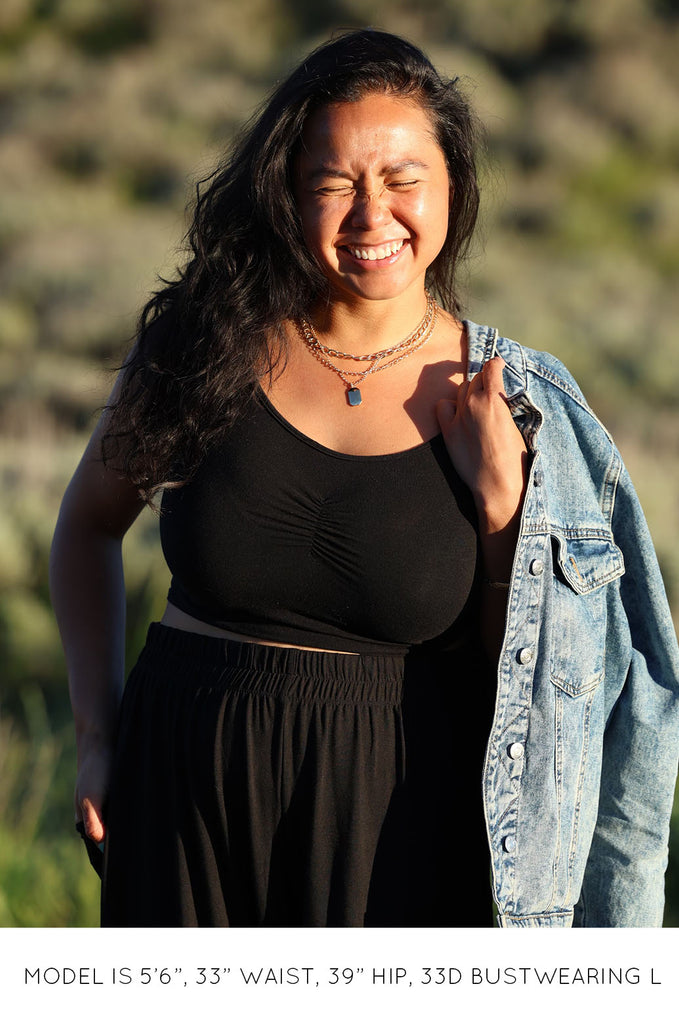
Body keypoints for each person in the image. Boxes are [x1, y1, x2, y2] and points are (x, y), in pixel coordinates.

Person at [50, 29, 679, 928]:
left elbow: (549, 680)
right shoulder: (204, 343)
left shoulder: (516, 403)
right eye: (334, 183)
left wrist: (504, 514)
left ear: (451, 186)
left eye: (402, 179)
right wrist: (96, 737)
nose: (371, 215)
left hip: (395, 823)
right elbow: (84, 529)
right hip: (183, 795)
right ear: (286, 192)